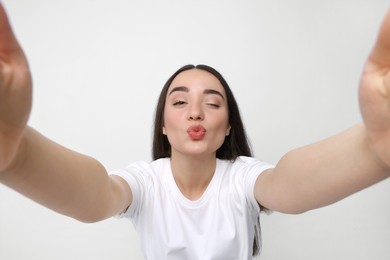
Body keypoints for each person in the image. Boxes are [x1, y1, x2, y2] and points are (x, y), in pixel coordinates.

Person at [0, 2, 390, 260]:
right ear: (164, 127)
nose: (197, 113)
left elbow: (289, 186)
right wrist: (18, 156)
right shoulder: (146, 183)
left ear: (228, 127)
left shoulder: (241, 179)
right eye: (181, 102)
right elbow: (96, 195)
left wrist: (372, 150)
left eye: (214, 102)